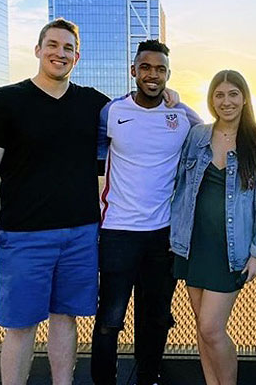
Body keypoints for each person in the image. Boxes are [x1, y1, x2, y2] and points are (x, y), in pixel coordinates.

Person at [0, 19, 177, 385]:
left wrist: (168, 96)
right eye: (52, 45)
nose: (60, 53)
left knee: (66, 319)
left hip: (81, 234)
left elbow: (136, 111)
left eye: (68, 48)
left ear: (76, 57)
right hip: (23, 234)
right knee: (20, 327)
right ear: (38, 50)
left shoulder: (93, 103)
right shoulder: (7, 99)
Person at [91, 39, 203, 385]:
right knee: (110, 317)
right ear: (133, 71)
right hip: (117, 231)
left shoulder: (181, 115)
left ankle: (148, 376)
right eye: (146, 67)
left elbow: (210, 137)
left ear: (168, 74)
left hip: (163, 234)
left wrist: (179, 101)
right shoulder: (112, 112)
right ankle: (103, 380)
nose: (152, 75)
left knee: (156, 316)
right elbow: (89, 150)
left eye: (160, 69)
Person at [169, 70, 256, 385]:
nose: (226, 101)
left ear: (244, 98)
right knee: (201, 327)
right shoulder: (197, 136)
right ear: (211, 99)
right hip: (192, 243)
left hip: (231, 249)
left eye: (233, 94)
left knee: (211, 327)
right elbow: (179, 184)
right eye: (219, 95)